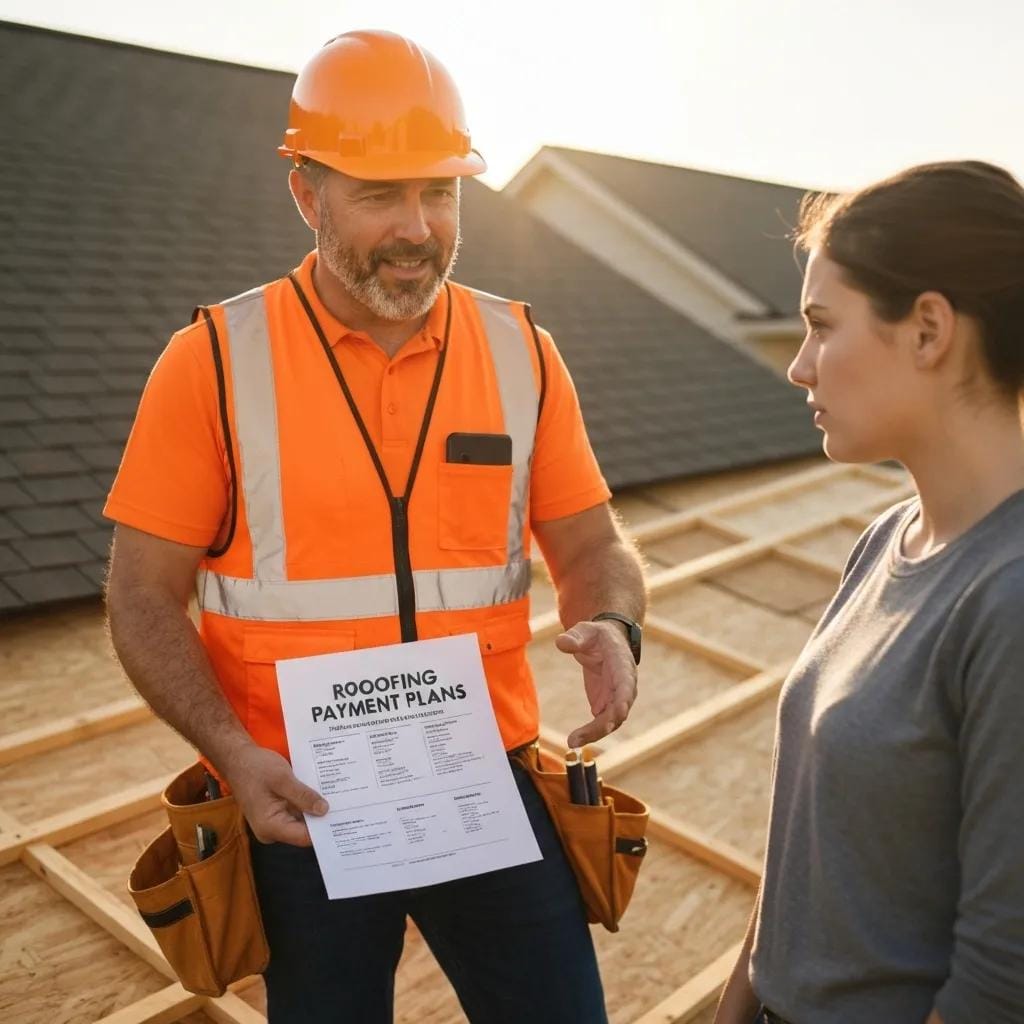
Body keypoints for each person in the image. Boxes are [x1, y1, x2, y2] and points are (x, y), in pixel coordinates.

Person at [104, 30, 646, 1024]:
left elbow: (593, 547)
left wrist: (613, 624)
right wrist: (231, 752)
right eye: (379, 193)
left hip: (485, 784)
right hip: (296, 806)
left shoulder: (522, 352)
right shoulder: (212, 362)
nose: (417, 226)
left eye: (439, 192)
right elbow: (139, 594)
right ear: (306, 194)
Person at [714, 160, 1024, 1024]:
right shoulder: (884, 542)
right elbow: (806, 854)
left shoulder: (1010, 601)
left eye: (822, 325)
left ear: (928, 329)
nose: (799, 367)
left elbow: (1002, 984)